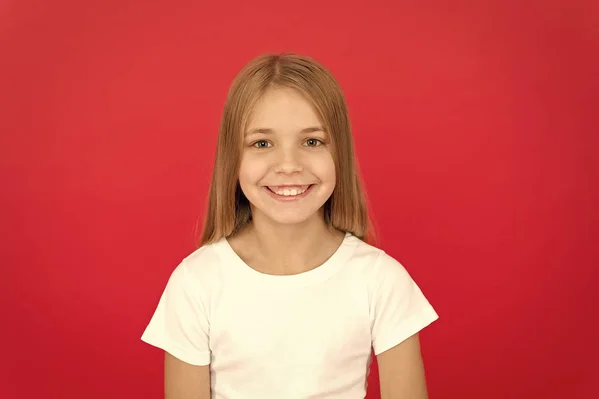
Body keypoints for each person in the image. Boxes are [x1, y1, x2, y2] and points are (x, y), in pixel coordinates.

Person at [141, 52, 439, 399]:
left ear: (338, 153)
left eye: (312, 141)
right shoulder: (196, 283)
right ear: (232, 159)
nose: (288, 164)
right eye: (262, 143)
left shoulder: (381, 280)